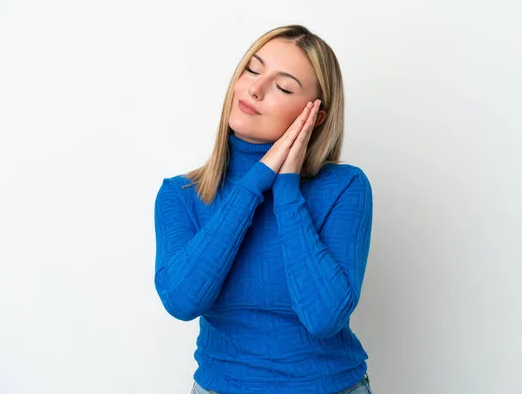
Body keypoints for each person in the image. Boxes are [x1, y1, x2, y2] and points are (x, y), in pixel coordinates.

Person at [153, 24, 374, 394]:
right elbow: (182, 300)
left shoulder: (345, 187)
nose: (255, 89)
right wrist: (258, 179)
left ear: (315, 116)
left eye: (283, 86)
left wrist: (286, 188)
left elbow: (324, 317)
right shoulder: (181, 195)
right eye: (252, 70)